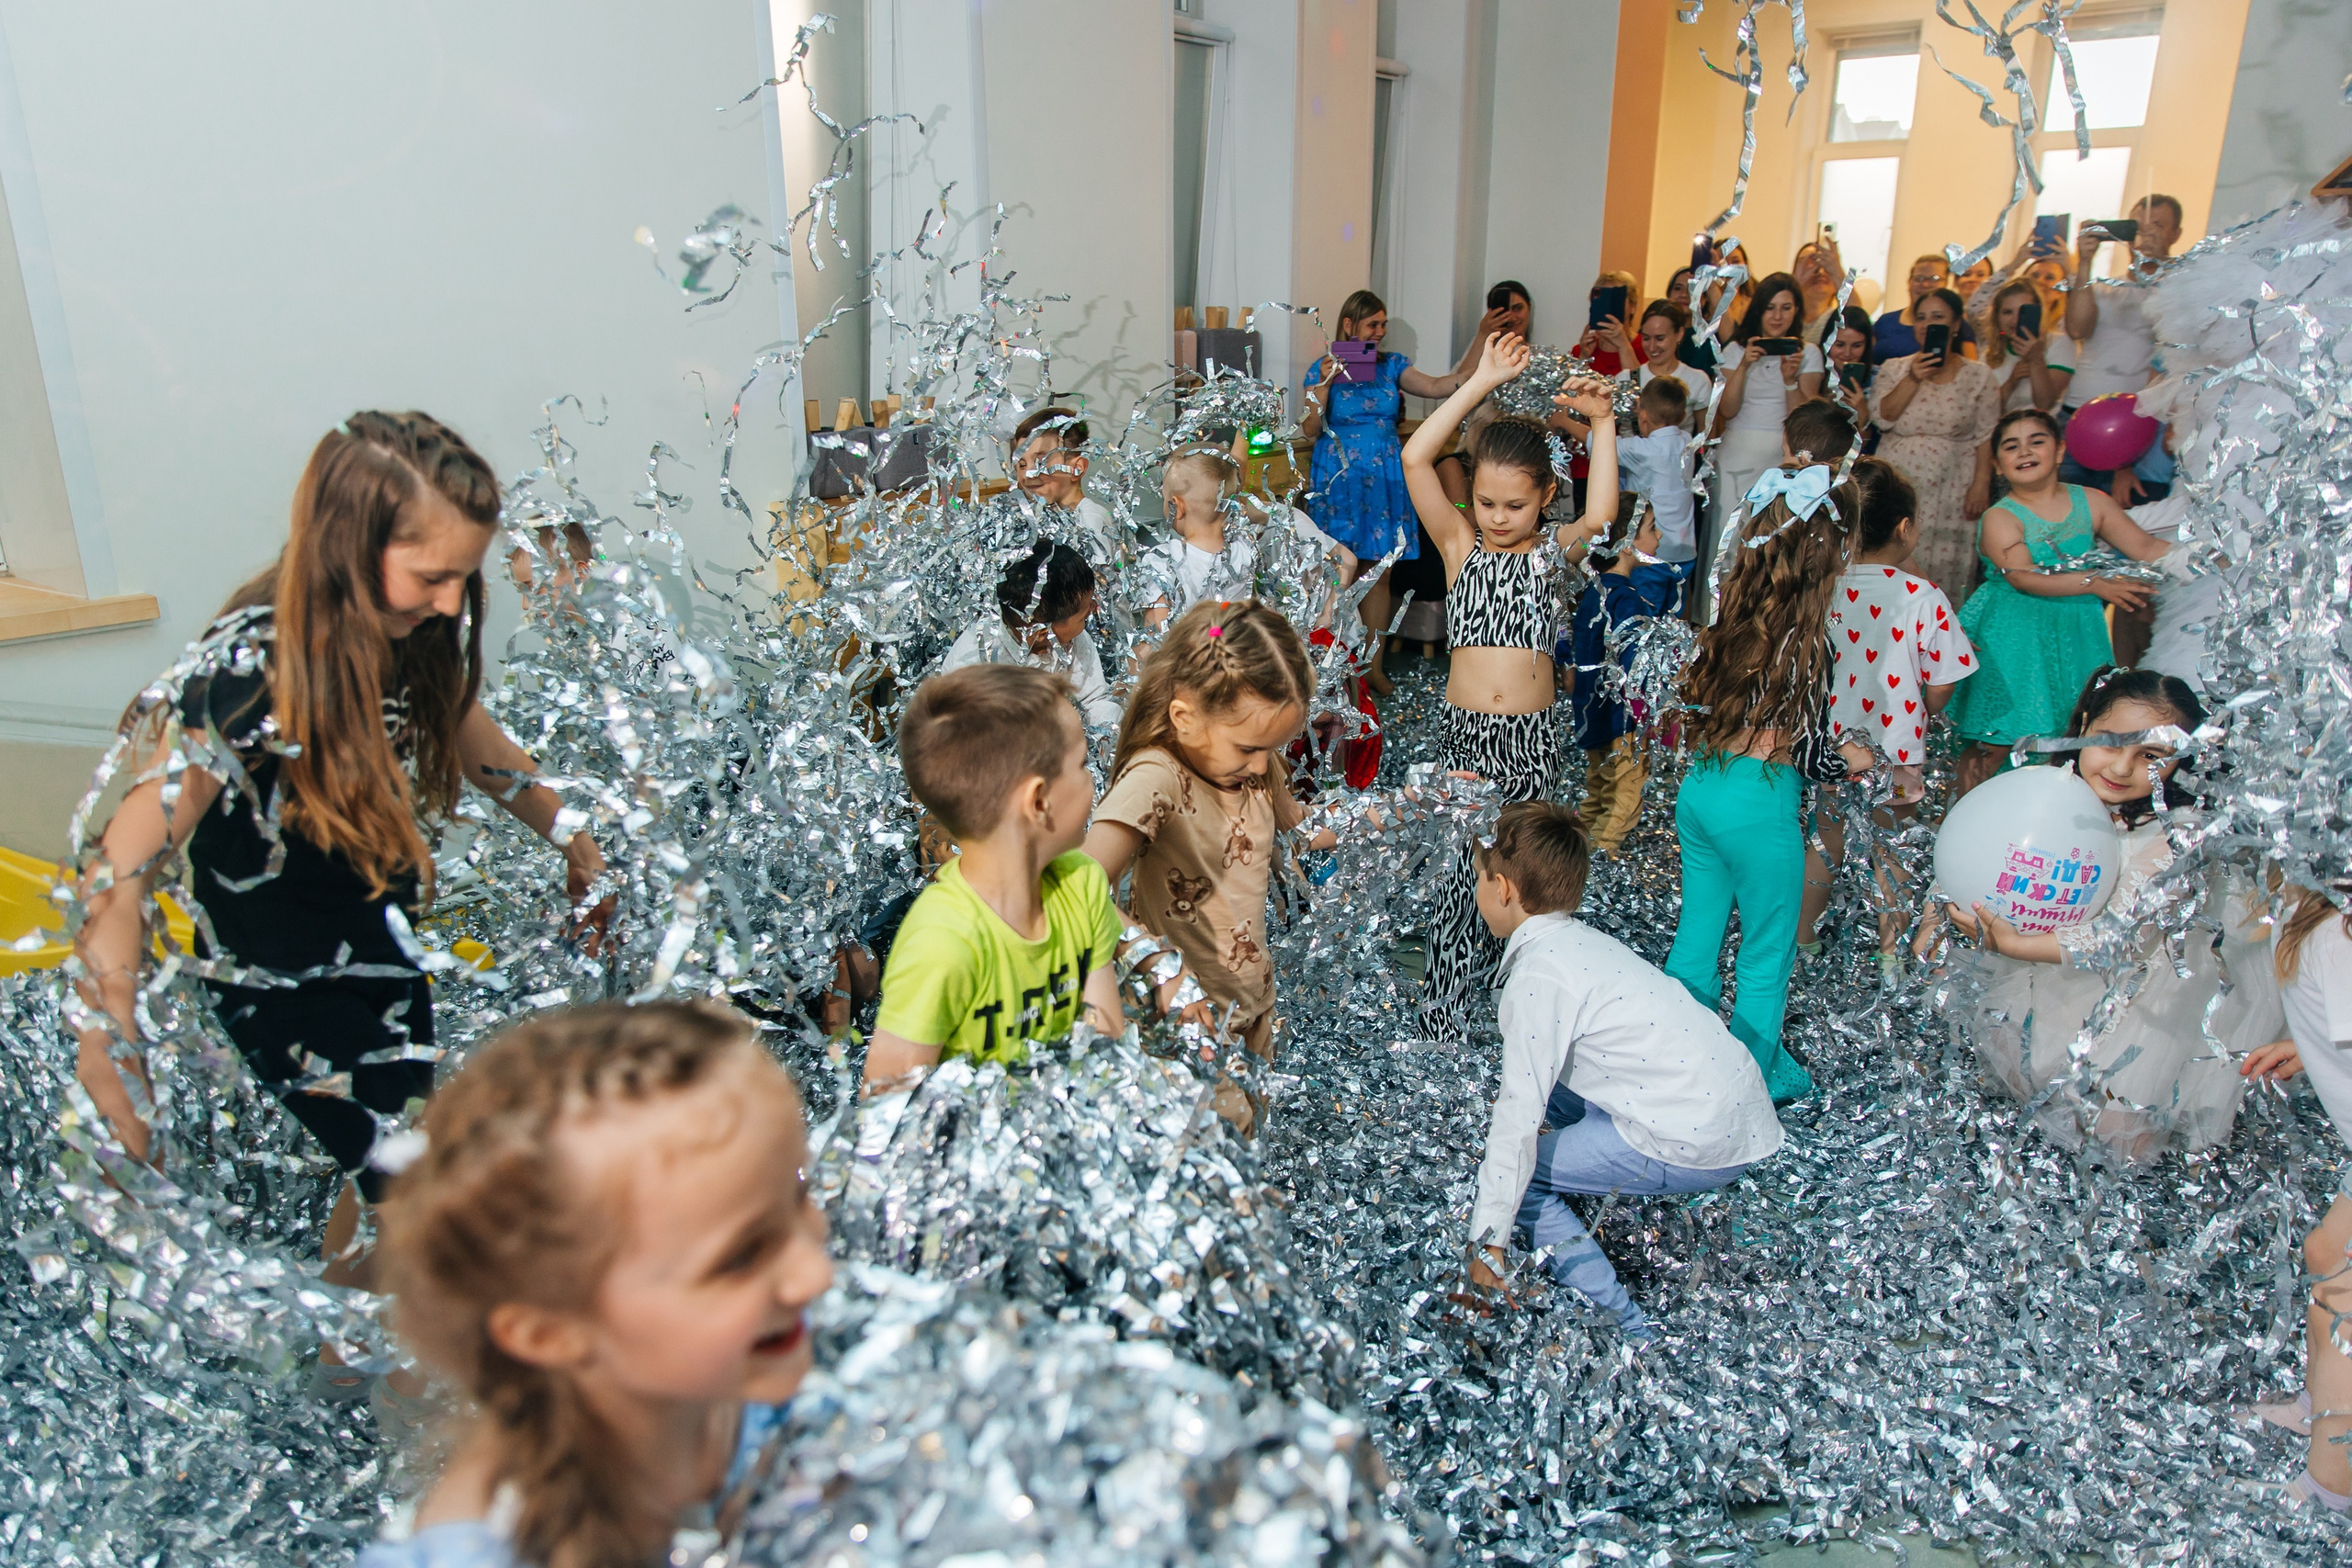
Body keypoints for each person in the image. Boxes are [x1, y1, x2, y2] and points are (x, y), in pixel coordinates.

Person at [73, 412, 612, 1302]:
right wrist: (107, 1033)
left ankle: (343, 1360)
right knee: (425, 1187)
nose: (448, 601)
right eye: (431, 576)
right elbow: (123, 860)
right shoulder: (248, 671)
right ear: (351, 546)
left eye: (462, 578)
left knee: (389, 1180)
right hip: (276, 979)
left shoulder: (410, 629)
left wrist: (574, 838)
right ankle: (417, 1407)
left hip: (376, 943)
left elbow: (469, 733)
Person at [358, 1000, 835, 1568]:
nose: (816, 1274)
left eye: (798, 1196)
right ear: (548, 1333)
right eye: (739, 1259)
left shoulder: (787, 1394)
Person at [1462, 803, 1783, 1341]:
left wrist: (1487, 1240)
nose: (1476, 893)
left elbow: (1518, 1115)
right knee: (1550, 1103)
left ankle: (1626, 1327)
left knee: (1529, 1182)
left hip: (1695, 1136)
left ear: (1504, 889)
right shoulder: (1582, 943)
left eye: (1478, 880)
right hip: (1731, 1105)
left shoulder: (1539, 977)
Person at [1944, 669, 2280, 1163]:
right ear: (2083, 723)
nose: (2122, 768)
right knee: (2018, 1065)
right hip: (2053, 959)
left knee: (2120, 1132)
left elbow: (2115, 937)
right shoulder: (2045, 793)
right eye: (2110, 742)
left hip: (2140, 980)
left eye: (2151, 756)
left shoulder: (2177, 833)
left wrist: (2012, 944)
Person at [1401, 335, 1621, 1028]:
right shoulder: (1458, 545)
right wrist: (1480, 381)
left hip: (1529, 740)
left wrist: (1605, 425)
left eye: (1514, 507)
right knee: (1458, 876)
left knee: (1518, 877)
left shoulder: (1554, 554)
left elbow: (1604, 515)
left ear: (1546, 498)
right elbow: (1414, 457)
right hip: (1465, 735)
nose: (1497, 518)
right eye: (1487, 502)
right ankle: (1443, 1012)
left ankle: (1516, 1012)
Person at [1666, 463, 1877, 1103]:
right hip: (1761, 805)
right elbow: (1804, 749)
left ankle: (1671, 1052)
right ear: (1831, 553)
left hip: (1703, 789)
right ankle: (1744, 1087)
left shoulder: (1732, 617)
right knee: (1765, 955)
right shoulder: (1807, 643)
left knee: (1697, 935)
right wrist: (1857, 760)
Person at [1084, 600, 1316, 1081]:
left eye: (1271, 748)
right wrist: (1161, 970)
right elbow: (1077, 885)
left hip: (1251, 1011)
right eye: (1249, 748)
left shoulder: (1250, 765)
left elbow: (1301, 826)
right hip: (1184, 1029)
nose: (1260, 764)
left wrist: (1405, 806)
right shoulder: (1157, 777)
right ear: (1185, 717)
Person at [864, 664, 1128, 1085]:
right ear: (1039, 801)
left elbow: (1107, 1039)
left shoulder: (1082, 884)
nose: (1093, 780)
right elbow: (886, 1115)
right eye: (1081, 765)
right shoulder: (941, 946)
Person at [1801, 459, 1974, 979]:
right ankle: (1891, 952)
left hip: (1828, 746)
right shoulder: (1923, 596)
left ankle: (1803, 940)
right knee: (1889, 848)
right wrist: (1923, 708)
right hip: (1894, 751)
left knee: (1824, 839)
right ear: (1906, 528)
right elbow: (1943, 682)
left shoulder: (1820, 585)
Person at [1944, 410, 2167, 796]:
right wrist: (2095, 583)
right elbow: (2024, 577)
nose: (2025, 452)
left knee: (2068, 737)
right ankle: (1968, 824)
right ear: (1997, 464)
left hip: (2076, 634)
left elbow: (2146, 548)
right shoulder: (2000, 516)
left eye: (2037, 441)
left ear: (2060, 450)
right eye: (2011, 446)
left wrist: (2205, 559)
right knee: (1996, 741)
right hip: (2014, 638)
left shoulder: (2092, 502)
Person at [1300, 289, 1471, 693]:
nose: (1379, 331)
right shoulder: (1320, 369)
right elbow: (1308, 429)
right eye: (1372, 324)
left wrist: (1483, 366)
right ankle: (1334, 668)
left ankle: (1372, 667)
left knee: (1380, 575)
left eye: (1383, 325)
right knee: (1340, 571)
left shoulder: (1393, 365)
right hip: (1339, 480)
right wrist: (1322, 388)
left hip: (1384, 480)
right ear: (1349, 326)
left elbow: (1436, 386)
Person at [2243, 885, 2352, 1513]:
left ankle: (2330, 1490)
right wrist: (2311, 1048)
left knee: (2338, 1310)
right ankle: (2324, 1400)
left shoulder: (2337, 932)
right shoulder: (2317, 918)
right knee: (2325, 1248)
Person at [1566, 493, 1682, 857]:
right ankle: (1599, 859)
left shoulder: (1593, 592)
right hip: (1622, 720)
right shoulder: (1626, 599)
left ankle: (1572, 847)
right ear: (1627, 544)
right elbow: (1637, 665)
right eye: (1651, 529)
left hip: (1592, 713)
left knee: (1600, 789)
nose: (1659, 537)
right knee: (1625, 796)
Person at [1870, 287, 2001, 605]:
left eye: (1938, 318)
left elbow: (1986, 434)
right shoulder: (1895, 368)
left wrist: (1981, 484)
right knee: (1892, 557)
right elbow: (1883, 418)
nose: (1927, 325)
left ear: (1956, 325)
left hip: (1954, 486)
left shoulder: (1979, 375)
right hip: (1900, 483)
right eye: (1921, 318)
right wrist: (1913, 378)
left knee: (1946, 571)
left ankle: (1943, 639)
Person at [1705, 273, 1824, 617]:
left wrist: (1790, 380)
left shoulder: (1808, 353)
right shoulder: (1736, 349)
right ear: (1758, 310)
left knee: (1777, 537)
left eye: (1786, 307)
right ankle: (1722, 615)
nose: (1777, 316)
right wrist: (1744, 365)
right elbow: (1727, 410)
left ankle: (1768, 613)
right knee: (1731, 535)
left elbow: (1806, 416)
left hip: (1785, 454)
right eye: (1770, 307)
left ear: (1797, 311)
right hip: (1738, 449)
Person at [2060, 195, 2185, 503]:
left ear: (2175, 235)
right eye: (2138, 226)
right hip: (2074, 419)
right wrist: (2084, 263)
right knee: (2060, 520)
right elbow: (2077, 329)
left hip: (2129, 430)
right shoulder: (2104, 288)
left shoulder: (2178, 290)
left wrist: (2163, 268)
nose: (2146, 235)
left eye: (2157, 226)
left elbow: (2180, 343)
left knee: (2113, 527)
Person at [941, 540, 1120, 732]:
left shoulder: (1074, 639)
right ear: (1042, 633)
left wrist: (1105, 735)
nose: (1093, 610)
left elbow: (1095, 700)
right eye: (1084, 614)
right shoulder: (974, 666)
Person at [1142, 447, 1257, 627]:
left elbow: (1156, 633)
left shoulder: (1163, 560)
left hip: (1186, 654)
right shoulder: (1244, 547)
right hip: (1237, 652)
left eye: (1164, 499)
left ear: (1177, 507)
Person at [1011, 406, 1116, 561]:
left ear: (1076, 469)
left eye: (1041, 461)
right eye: (1022, 465)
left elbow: (1093, 583)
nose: (1029, 474)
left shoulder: (1090, 520)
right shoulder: (1035, 520)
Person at [1615, 376, 1698, 567]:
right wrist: (1645, 411)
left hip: (1651, 553)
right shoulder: (1687, 440)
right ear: (1683, 416)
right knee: (1676, 597)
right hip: (1685, 551)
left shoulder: (1641, 450)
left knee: (1646, 598)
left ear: (1643, 415)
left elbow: (1599, 444)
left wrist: (1563, 420)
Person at [1980, 278, 2075, 419]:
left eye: (2023, 311)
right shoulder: (1988, 355)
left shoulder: (2059, 343)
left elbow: (2044, 403)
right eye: (2007, 312)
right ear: (1997, 318)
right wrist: (2010, 383)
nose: (2015, 319)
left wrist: (2036, 360)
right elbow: (1983, 413)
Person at [1634, 299, 1712, 434]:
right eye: (1646, 338)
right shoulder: (1626, 378)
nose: (1652, 347)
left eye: (1660, 338)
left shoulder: (1698, 380)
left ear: (1680, 334)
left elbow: (1706, 438)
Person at [1875, 254, 1966, 361]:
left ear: (1946, 283)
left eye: (1934, 278)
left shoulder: (1956, 325)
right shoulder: (1885, 321)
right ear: (1909, 282)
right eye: (1919, 278)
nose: (1926, 284)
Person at [1823, 304, 1878, 456]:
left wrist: (1863, 415)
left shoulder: (1876, 378)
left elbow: (1867, 444)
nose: (1847, 353)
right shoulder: (1816, 374)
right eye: (1840, 345)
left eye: (1857, 345)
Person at [1792, 234, 1847, 344]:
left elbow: (1856, 312)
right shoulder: (1782, 316)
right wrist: (1794, 284)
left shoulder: (1838, 318)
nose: (1820, 272)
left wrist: (1837, 272)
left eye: (1825, 263)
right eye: (1810, 263)